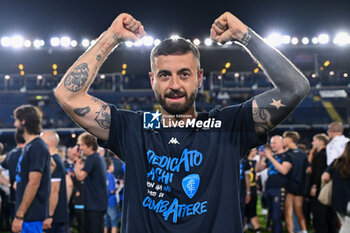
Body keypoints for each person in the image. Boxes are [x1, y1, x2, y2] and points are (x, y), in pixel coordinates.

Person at [54, 11, 310, 233]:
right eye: (164, 75)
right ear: (152, 80)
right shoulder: (133, 128)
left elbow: (296, 88)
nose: (174, 85)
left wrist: (244, 35)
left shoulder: (229, 126)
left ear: (199, 78)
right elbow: (67, 94)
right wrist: (111, 37)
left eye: (184, 74)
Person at [12, 105, 51, 233]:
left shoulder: (37, 146)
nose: (14, 124)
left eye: (16, 120)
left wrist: (19, 215)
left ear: (23, 121)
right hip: (28, 215)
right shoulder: (31, 146)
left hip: (31, 215)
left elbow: (34, 183)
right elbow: (52, 164)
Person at [256, 136, 292, 233]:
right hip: (268, 188)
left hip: (279, 189)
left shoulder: (287, 156)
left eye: (274, 143)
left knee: (277, 216)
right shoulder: (272, 157)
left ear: (281, 143)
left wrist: (270, 157)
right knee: (272, 215)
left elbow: (284, 171)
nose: (272, 145)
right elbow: (258, 170)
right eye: (271, 143)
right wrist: (261, 158)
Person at [74, 133, 107, 233]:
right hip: (98, 203)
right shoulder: (99, 158)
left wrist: (76, 160)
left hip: (94, 204)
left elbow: (80, 176)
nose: (81, 148)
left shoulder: (92, 158)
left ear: (90, 146)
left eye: (83, 145)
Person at [41, 131, 71, 233]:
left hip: (54, 217)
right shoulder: (57, 160)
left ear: (50, 143)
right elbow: (69, 184)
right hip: (57, 215)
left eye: (42, 141)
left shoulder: (54, 162)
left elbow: (54, 190)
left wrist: (49, 215)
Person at [309, 133, 337, 233]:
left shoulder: (321, 155)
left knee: (320, 215)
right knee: (328, 215)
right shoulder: (325, 153)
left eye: (314, 140)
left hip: (320, 189)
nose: (312, 142)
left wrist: (314, 186)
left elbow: (319, 173)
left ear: (321, 142)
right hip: (326, 188)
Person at [282, 131, 308, 233]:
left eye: (284, 138)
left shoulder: (287, 154)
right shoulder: (303, 154)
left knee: (288, 214)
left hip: (289, 186)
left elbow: (284, 171)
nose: (283, 140)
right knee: (299, 212)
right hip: (300, 186)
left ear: (290, 140)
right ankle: (304, 230)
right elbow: (308, 170)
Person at [322, 141, 350, 233]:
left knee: (345, 223)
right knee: (347, 227)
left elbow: (325, 177)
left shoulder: (336, 161)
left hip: (338, 200)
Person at [0, 132, 25, 220]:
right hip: (29, 196)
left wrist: (8, 184)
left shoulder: (10, 154)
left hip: (14, 196)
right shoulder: (30, 151)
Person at [245, 148, 261, 232]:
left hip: (252, 187)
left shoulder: (255, 161)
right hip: (245, 188)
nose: (256, 151)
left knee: (252, 208)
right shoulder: (243, 160)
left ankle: (252, 225)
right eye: (254, 149)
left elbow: (257, 170)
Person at [104, 157, 119, 233]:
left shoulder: (103, 175)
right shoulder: (111, 176)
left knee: (105, 223)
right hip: (111, 202)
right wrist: (119, 186)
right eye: (112, 165)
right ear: (109, 166)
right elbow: (112, 190)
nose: (114, 167)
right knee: (114, 222)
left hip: (104, 202)